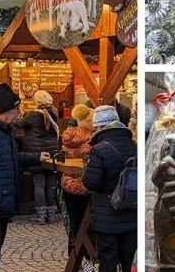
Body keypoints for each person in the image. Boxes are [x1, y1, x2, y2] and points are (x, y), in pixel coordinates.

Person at [0, 83, 49, 272]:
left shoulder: (3, 130)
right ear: (6, 111)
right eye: (16, 109)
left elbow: (9, 159)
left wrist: (35, 158)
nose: (19, 113)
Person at [83, 106, 137, 272]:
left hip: (107, 213)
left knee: (108, 258)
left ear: (99, 127)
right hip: (131, 211)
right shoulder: (134, 146)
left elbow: (91, 182)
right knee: (129, 257)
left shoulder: (99, 150)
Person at [18, 90, 61, 224]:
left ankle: (41, 215)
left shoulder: (33, 115)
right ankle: (51, 214)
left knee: (39, 185)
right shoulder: (54, 113)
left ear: (37, 102)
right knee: (50, 185)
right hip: (52, 153)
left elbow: (18, 124)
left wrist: (20, 114)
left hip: (37, 154)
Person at [60, 104, 95, 264]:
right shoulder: (92, 140)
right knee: (88, 225)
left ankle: (74, 256)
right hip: (87, 186)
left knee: (74, 222)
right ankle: (88, 259)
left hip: (69, 184)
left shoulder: (69, 136)